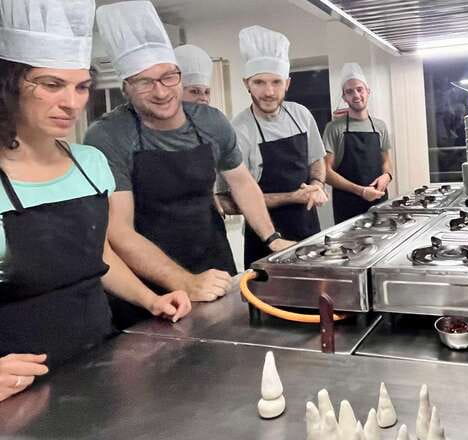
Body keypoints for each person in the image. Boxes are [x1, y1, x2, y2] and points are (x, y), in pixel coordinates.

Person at [0, 0, 190, 403]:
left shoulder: (89, 163)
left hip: (99, 362)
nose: (72, 102)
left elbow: (97, 253)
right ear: (9, 84)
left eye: (82, 86)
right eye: (52, 85)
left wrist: (150, 298)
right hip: (20, 392)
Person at [85, 2, 293, 328]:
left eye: (169, 77)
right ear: (125, 87)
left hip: (214, 265)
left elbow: (241, 182)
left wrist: (272, 238)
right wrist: (183, 281)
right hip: (147, 286)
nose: (161, 91)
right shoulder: (108, 135)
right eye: (144, 81)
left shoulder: (211, 123)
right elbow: (119, 231)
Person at [230, 26, 328, 268]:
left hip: (309, 229)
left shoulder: (301, 115)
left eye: (276, 82)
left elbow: (317, 161)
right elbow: (232, 200)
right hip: (263, 239)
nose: (269, 91)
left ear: (288, 83)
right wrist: (292, 197)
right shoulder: (238, 129)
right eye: (259, 82)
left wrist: (316, 186)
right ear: (247, 84)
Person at [323, 62, 393, 224]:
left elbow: (386, 161)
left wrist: (387, 176)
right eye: (349, 91)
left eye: (359, 89)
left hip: (379, 203)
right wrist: (361, 191)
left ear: (368, 92)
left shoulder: (380, 126)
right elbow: (326, 172)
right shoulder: (334, 128)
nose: (356, 95)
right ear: (344, 97)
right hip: (347, 207)